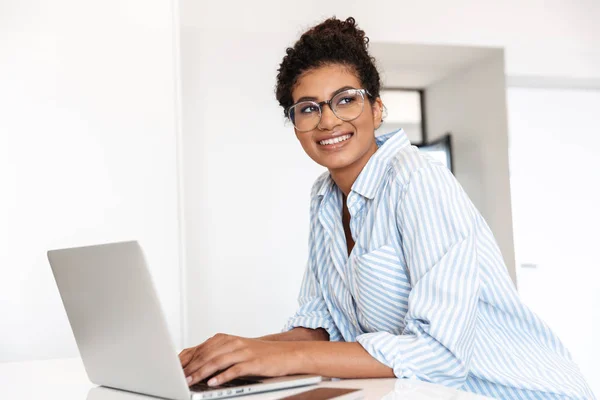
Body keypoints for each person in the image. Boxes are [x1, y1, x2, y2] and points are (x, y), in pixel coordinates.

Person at [179, 17, 594, 399]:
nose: (327, 121)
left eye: (345, 100)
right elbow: (322, 330)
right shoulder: (324, 199)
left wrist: (279, 359)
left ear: (377, 109)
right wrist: (221, 356)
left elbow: (440, 356)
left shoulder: (417, 181)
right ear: (296, 126)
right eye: (308, 108)